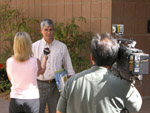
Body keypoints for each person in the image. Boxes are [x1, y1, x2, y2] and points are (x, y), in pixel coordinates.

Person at [56, 33, 142, 113]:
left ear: (91, 57)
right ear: (115, 59)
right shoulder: (122, 85)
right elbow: (136, 107)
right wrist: (129, 80)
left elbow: (59, 111)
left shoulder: (72, 82)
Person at [32, 19, 75, 113]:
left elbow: (69, 67)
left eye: (51, 29)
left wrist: (71, 85)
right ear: (41, 31)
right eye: (46, 30)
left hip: (56, 85)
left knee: (56, 110)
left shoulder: (62, 46)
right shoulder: (34, 47)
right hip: (39, 85)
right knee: (37, 110)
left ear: (54, 30)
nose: (48, 33)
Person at [6, 32, 48, 113]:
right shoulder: (35, 61)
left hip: (15, 98)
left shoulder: (9, 61)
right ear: (28, 44)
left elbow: (10, 78)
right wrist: (45, 60)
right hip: (32, 99)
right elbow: (41, 72)